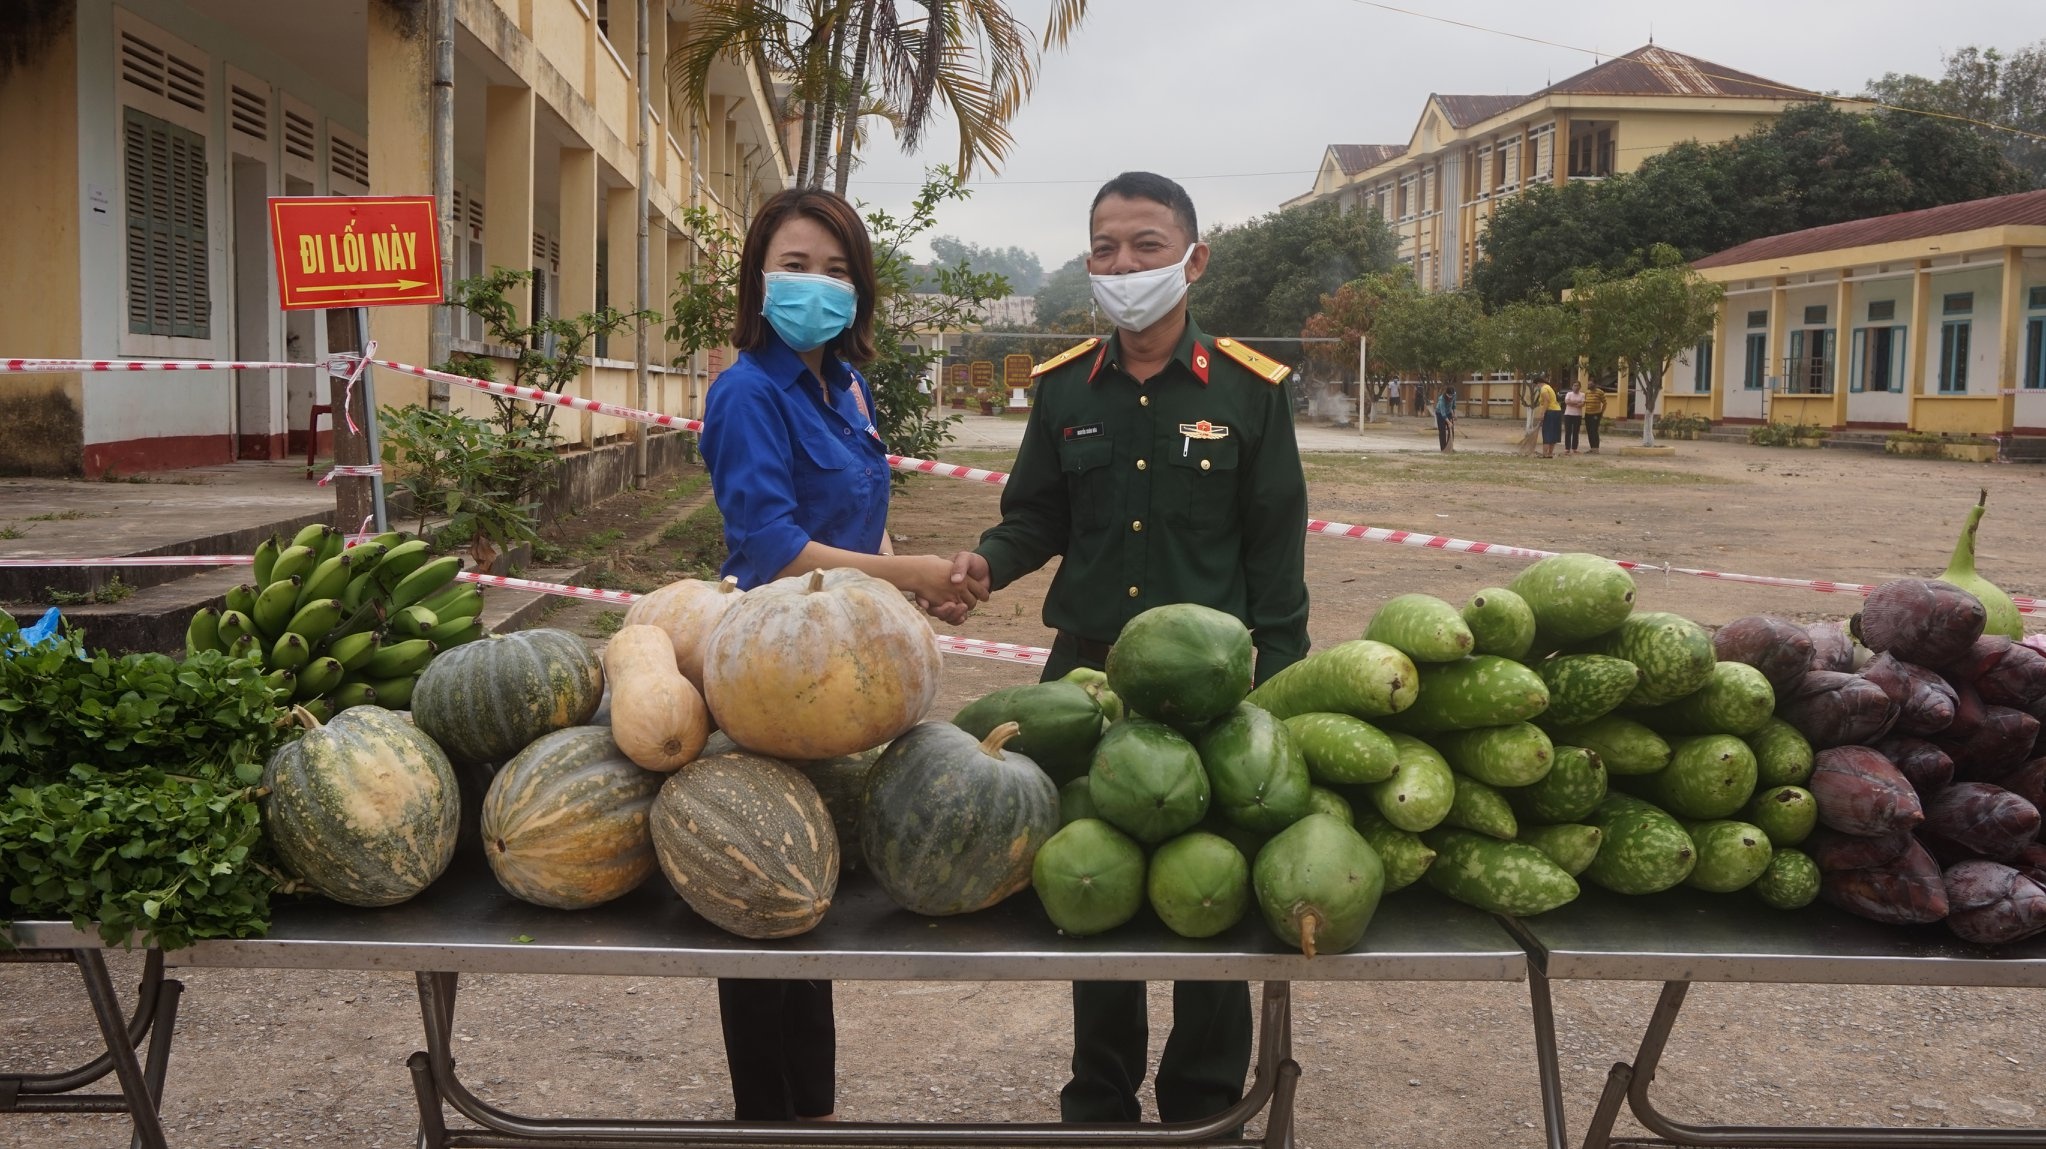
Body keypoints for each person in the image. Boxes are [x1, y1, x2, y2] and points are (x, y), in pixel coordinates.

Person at [944, 172, 1309, 1128]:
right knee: (1091, 881)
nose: (1123, 265)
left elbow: (1277, 555)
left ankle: (1202, 1100)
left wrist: (1279, 688)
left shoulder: (1248, 390)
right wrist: (979, 567)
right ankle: (1098, 1097)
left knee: (1211, 888)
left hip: (1214, 689)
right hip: (1088, 677)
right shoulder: (1066, 388)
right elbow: (1033, 519)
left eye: (1146, 245)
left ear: (1193, 258)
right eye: (1105, 248)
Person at [697, 187, 984, 1123]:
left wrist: (911, 588)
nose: (815, 285)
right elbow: (774, 546)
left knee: (817, 898)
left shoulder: (845, 384)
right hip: (769, 672)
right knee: (766, 890)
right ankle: (765, 1118)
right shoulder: (744, 392)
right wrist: (909, 566)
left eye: (835, 270)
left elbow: (860, 512)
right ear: (758, 276)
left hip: (847, 667)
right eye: (794, 264)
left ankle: (809, 1117)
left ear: (858, 290)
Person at [1535, 376, 1562, 458]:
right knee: (1553, 433)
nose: (1536, 387)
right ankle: (1550, 453)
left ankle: (1545, 454)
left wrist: (1542, 413)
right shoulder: (1549, 387)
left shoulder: (1543, 389)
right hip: (1557, 411)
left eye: (1536, 385)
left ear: (1539, 383)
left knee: (1547, 432)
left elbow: (1547, 401)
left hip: (1550, 412)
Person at [1581, 379, 1606, 454]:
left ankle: (1596, 448)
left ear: (1595, 384)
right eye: (1588, 384)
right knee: (1589, 431)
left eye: (1591, 384)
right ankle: (1592, 448)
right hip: (1587, 414)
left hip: (1596, 414)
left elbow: (1605, 403)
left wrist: (1601, 413)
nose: (1589, 385)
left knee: (1594, 430)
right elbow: (1584, 402)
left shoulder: (1600, 392)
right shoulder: (1587, 393)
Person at [1562, 379, 1585, 456]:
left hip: (1577, 415)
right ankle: (1567, 448)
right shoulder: (1569, 394)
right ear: (1572, 387)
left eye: (1578, 385)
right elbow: (1567, 402)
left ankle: (1574, 448)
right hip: (1568, 414)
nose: (1576, 387)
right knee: (1568, 432)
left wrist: (1573, 403)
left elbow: (1582, 404)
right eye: (1575, 385)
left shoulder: (1582, 395)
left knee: (1576, 432)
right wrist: (1577, 403)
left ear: (1580, 387)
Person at [1433, 385, 1456, 453]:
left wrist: (1454, 415)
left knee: (1451, 430)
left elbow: (1454, 405)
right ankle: (1443, 449)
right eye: (1449, 395)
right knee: (1442, 431)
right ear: (1446, 393)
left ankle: (1450, 447)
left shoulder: (1454, 394)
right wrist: (1448, 422)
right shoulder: (1442, 399)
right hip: (1440, 413)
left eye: (1452, 395)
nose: (1451, 396)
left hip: (1449, 412)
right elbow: (1443, 413)